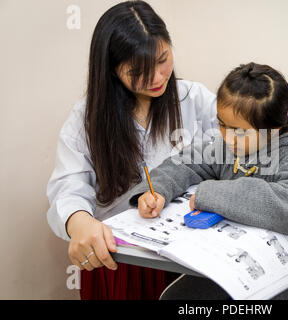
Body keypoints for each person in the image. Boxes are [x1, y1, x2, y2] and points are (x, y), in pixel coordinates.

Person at [46, 0, 218, 299]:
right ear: (112, 70)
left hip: (188, 257)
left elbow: (237, 148)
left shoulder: (195, 100)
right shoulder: (87, 117)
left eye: (163, 59)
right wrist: (79, 221)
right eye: (138, 70)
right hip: (120, 260)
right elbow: (69, 185)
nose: (156, 77)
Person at [131, 62, 288, 300]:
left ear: (274, 128)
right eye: (222, 124)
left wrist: (212, 194)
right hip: (235, 271)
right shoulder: (230, 146)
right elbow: (185, 162)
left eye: (239, 130)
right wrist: (158, 190)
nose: (228, 137)